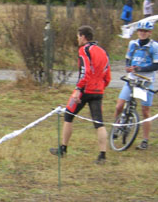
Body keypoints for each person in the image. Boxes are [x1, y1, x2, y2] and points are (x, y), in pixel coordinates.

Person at [49, 26, 111, 164]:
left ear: (83, 37)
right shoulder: (103, 52)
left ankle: (63, 149)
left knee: (68, 115)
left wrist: (78, 89)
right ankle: (102, 155)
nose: (77, 39)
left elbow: (85, 71)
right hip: (98, 91)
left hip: (84, 90)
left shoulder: (84, 50)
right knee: (99, 122)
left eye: (78, 36)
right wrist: (101, 87)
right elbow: (108, 76)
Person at [113, 19, 158, 150]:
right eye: (140, 31)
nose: (142, 33)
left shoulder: (154, 46)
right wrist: (128, 67)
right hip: (132, 79)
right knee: (119, 105)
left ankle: (145, 140)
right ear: (137, 32)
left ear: (149, 33)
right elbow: (128, 59)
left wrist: (140, 69)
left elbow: (156, 65)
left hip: (146, 81)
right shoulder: (132, 44)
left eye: (145, 31)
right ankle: (116, 127)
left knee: (145, 111)